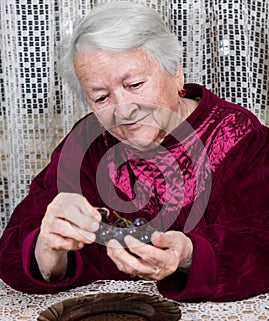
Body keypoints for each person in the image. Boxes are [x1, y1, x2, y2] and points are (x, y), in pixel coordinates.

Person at [0, 1, 268, 302]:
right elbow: (14, 246)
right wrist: (48, 251)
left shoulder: (237, 136)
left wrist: (189, 254)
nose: (123, 110)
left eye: (135, 84)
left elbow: (262, 245)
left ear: (175, 73)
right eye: (101, 98)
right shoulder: (86, 144)